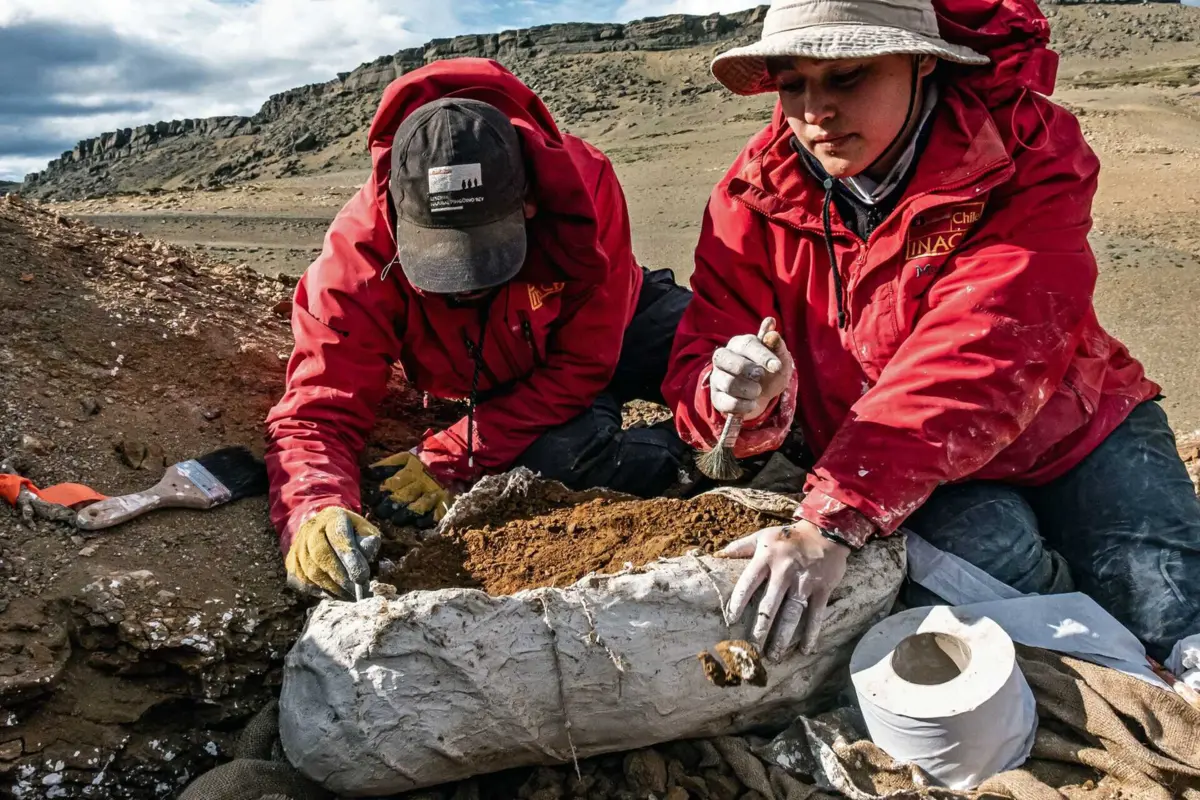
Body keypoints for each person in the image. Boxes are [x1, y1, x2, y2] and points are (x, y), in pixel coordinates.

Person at [664, 0, 1200, 662]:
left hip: (1079, 429)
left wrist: (833, 517)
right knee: (1040, 621)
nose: (813, 111)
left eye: (847, 76)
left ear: (922, 63)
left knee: (1172, 614)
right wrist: (742, 396)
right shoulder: (751, 197)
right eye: (791, 82)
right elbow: (706, 348)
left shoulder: (1027, 149)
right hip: (926, 475)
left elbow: (988, 343)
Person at [267, 58, 691, 599]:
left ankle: (723, 443)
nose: (465, 286)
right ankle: (683, 462)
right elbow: (318, 408)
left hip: (617, 320)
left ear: (530, 202)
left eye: (487, 255)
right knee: (562, 464)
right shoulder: (357, 260)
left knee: (720, 356)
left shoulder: (584, 187)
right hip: (506, 382)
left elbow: (585, 361)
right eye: (440, 261)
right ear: (397, 212)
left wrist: (449, 454)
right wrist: (316, 507)